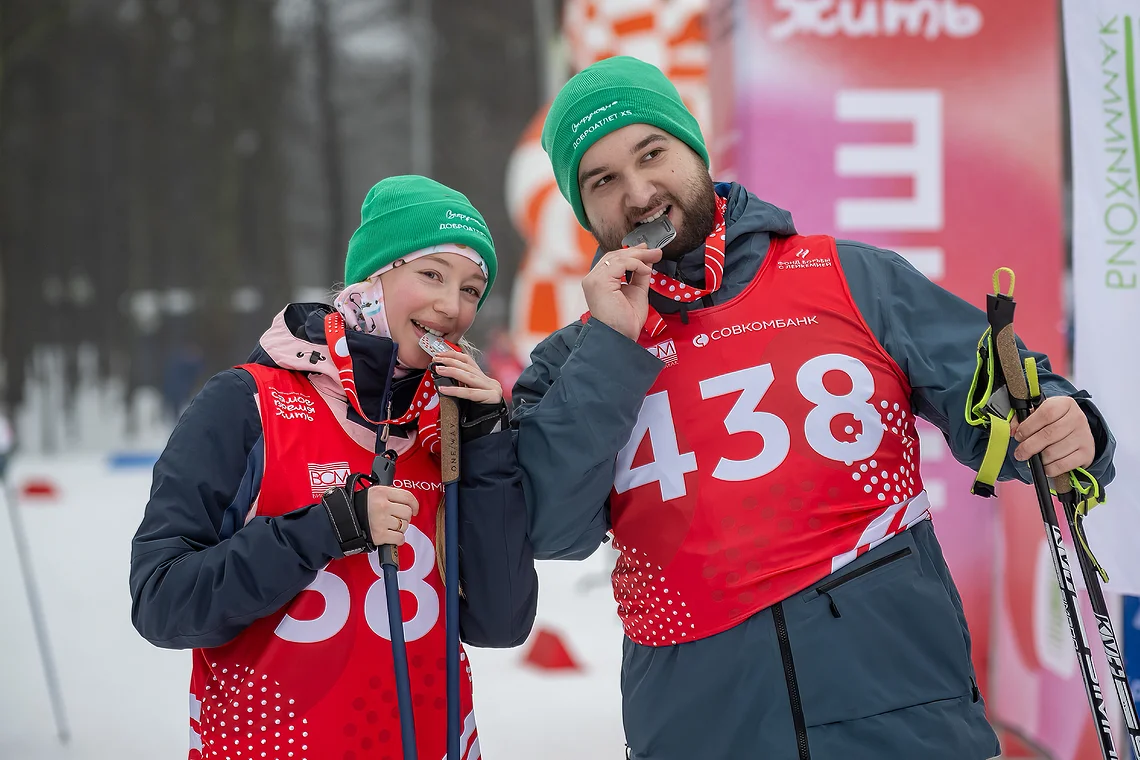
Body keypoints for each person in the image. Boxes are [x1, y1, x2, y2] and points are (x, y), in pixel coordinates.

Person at [512, 56, 1116, 760]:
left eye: (653, 154)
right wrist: (614, 347)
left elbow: (1000, 396)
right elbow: (551, 525)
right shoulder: (574, 360)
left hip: (902, 724)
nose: (641, 192)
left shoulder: (847, 276)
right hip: (704, 735)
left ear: (694, 151)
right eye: (603, 180)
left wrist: (1067, 421)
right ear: (584, 210)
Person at [131, 175, 538, 759]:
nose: (453, 308)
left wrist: (490, 447)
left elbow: (500, 624)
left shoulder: (451, 424)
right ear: (372, 280)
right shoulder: (246, 403)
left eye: (473, 289)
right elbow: (161, 603)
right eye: (432, 274)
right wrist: (325, 529)